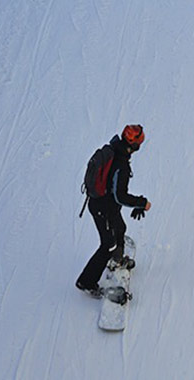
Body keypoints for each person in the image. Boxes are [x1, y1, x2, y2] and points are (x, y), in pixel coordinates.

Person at [76, 125, 151, 297]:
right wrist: (141, 203)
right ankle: (86, 282)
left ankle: (117, 260)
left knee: (120, 228)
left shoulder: (115, 148)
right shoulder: (121, 165)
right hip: (103, 209)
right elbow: (120, 196)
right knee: (107, 245)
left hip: (105, 204)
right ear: (134, 145)